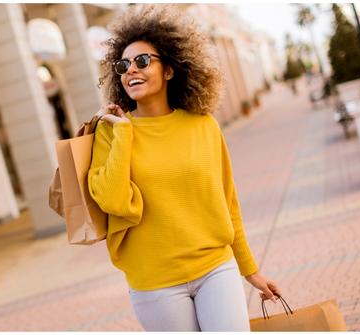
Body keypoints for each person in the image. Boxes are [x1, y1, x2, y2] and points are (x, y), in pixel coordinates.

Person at [87, 5, 282, 331]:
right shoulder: (110, 131)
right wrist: (122, 135)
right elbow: (112, 202)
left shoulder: (203, 125)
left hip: (215, 268)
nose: (131, 69)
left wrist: (251, 271)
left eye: (143, 61)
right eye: (123, 64)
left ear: (169, 70)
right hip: (155, 283)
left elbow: (228, 201)